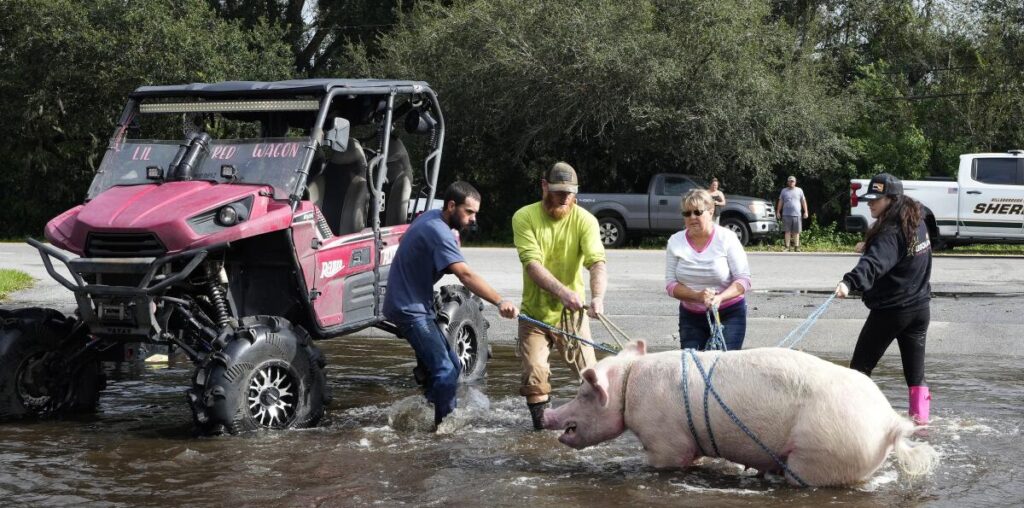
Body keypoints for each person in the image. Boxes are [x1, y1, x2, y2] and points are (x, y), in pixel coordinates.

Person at [383, 181, 519, 428]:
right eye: (469, 212)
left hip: (414, 303)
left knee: (453, 365)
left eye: (476, 213)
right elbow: (465, 276)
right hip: (408, 308)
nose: (473, 219)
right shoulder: (438, 230)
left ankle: (424, 413)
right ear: (451, 205)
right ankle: (443, 432)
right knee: (445, 371)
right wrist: (500, 301)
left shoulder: (432, 218)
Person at [512, 161, 607, 430]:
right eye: (558, 192)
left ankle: (590, 430)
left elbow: (597, 262)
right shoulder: (524, 217)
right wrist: (564, 291)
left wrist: (598, 297)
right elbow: (532, 265)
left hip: (573, 316)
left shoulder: (586, 220)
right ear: (544, 186)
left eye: (569, 193)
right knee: (534, 377)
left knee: (592, 378)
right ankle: (540, 433)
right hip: (534, 314)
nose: (565, 198)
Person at [834, 173, 933, 425]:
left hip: (892, 311)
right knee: (915, 376)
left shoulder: (889, 231)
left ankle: (854, 423)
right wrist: (868, 245)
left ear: (892, 199)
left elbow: (876, 263)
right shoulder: (917, 218)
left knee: (859, 371)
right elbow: (897, 252)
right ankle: (921, 424)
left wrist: (849, 282)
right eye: (870, 198)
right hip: (920, 308)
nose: (870, 203)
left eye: (876, 199)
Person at [665, 189, 751, 351]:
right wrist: (697, 296)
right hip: (691, 316)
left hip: (729, 313)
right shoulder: (675, 241)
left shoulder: (727, 238)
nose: (692, 217)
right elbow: (670, 285)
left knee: (722, 368)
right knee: (692, 368)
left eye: (697, 212)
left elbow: (744, 280)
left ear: (711, 211)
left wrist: (720, 298)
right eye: (687, 213)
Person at [776, 175, 809, 251]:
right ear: (787, 182)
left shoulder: (799, 190)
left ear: (795, 182)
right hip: (786, 214)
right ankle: (787, 247)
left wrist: (806, 212)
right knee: (787, 231)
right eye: (790, 181)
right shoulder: (784, 191)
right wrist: (778, 212)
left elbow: (803, 201)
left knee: (796, 232)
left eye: (792, 181)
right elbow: (780, 201)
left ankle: (796, 247)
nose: (791, 182)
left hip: (797, 214)